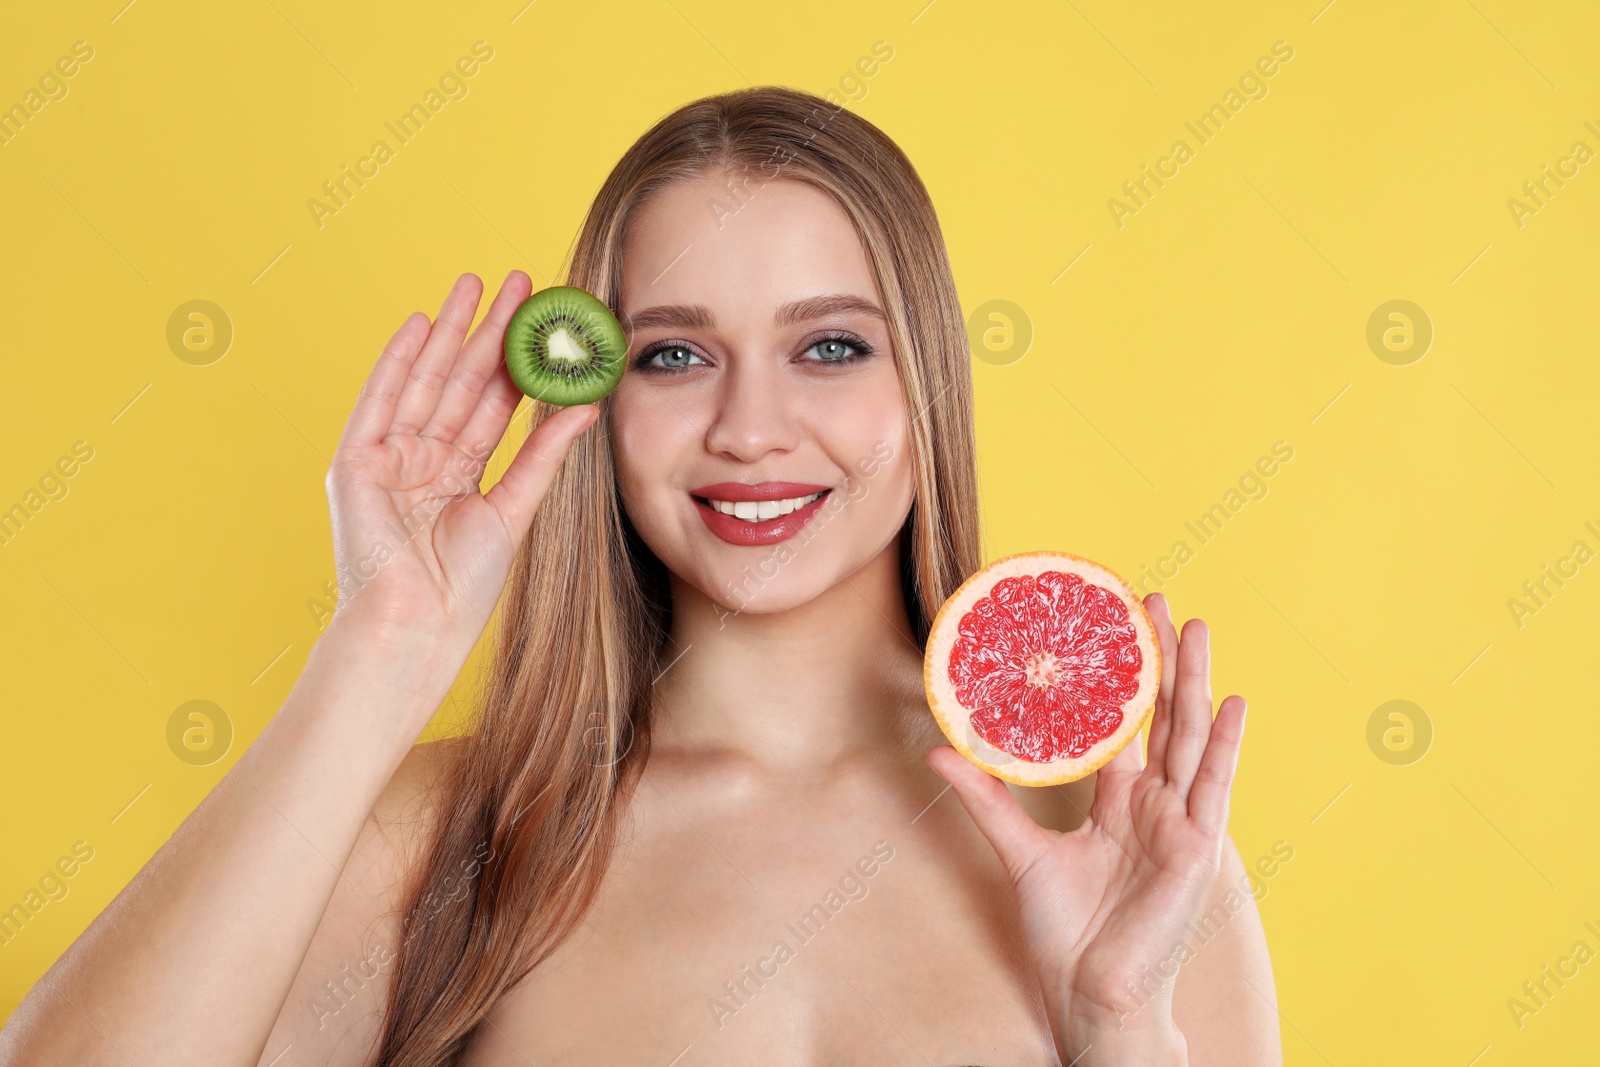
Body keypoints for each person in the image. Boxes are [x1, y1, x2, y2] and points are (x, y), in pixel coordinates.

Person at [0, 86, 1277, 1066]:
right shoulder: (452, 841)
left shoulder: (1116, 846)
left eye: (828, 345)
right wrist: (380, 642)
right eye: (673, 356)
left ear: (927, 383)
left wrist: (1116, 1025)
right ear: (599, 400)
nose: (748, 427)